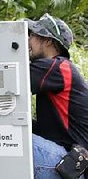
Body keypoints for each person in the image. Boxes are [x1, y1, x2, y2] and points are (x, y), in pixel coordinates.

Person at [28, 14, 88, 179]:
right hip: (71, 162)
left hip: (68, 163)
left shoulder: (57, 68)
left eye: (33, 35)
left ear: (48, 41)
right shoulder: (59, 69)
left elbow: (6, 82)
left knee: (6, 138)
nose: (28, 40)